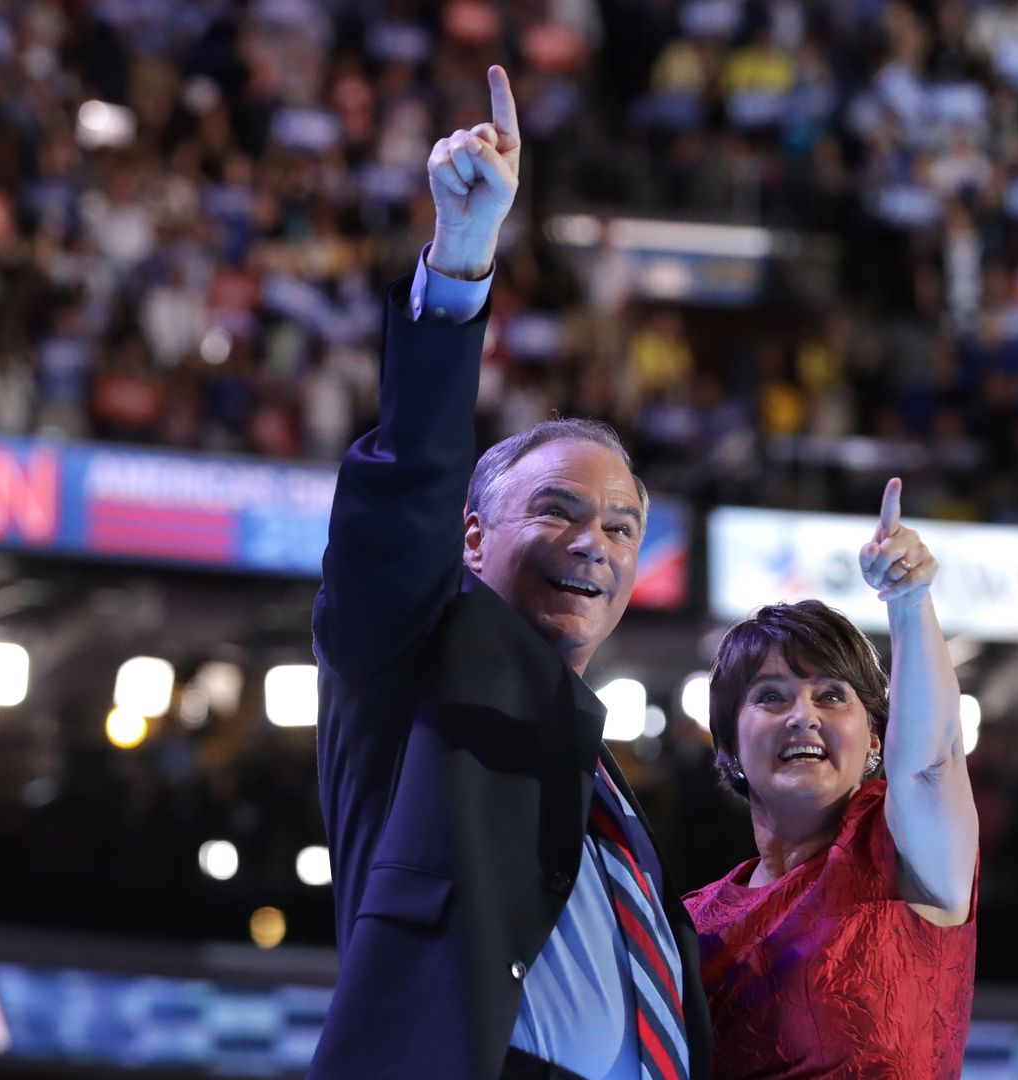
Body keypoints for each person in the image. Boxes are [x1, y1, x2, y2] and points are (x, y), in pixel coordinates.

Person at [309, 67, 711, 1080]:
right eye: (559, 511)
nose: (595, 544)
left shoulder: (593, 772)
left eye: (623, 529)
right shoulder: (405, 661)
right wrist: (462, 260)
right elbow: (404, 483)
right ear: (473, 539)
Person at [685, 478, 980, 1078]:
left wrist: (909, 600)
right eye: (771, 696)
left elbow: (930, 761)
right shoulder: (688, 924)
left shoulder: (905, 855)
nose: (803, 716)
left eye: (831, 696)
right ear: (730, 746)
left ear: (876, 739)